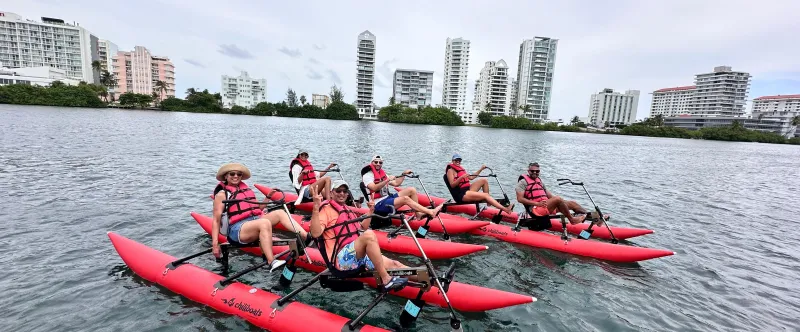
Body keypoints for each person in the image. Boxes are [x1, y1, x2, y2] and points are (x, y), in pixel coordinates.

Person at [309, 180, 408, 291]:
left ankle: (429, 280)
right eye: (338, 190)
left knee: (396, 264)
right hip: (341, 260)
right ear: (331, 193)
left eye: (345, 191)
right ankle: (386, 279)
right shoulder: (326, 210)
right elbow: (315, 233)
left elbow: (362, 227)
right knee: (369, 235)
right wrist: (316, 208)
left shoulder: (347, 210)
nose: (342, 193)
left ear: (347, 194)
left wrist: (371, 211)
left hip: (357, 255)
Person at [212, 163, 311, 272]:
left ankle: (306, 237)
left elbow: (258, 209)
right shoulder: (222, 194)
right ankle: (271, 261)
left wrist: (268, 196)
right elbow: (216, 220)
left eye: (239, 174)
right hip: (237, 230)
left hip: (254, 222)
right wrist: (215, 245)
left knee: (279, 213)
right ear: (225, 176)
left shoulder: (245, 189)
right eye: (232, 174)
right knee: (264, 223)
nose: (236, 176)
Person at [360, 155, 442, 220]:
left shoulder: (382, 174)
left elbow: (396, 183)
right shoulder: (367, 175)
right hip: (377, 204)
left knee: (412, 190)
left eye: (380, 162)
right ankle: (430, 212)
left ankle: (418, 215)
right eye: (376, 162)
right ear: (372, 162)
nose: (378, 164)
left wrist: (403, 174)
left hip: (386, 198)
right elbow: (374, 188)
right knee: (405, 199)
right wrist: (386, 180)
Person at [515, 162, 587, 225]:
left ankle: (588, 216)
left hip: (546, 206)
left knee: (573, 203)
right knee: (558, 199)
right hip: (535, 209)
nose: (534, 172)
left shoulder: (539, 181)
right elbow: (520, 199)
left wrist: (563, 202)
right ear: (528, 171)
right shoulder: (523, 182)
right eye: (532, 171)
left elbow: (550, 196)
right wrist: (537, 204)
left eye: (537, 171)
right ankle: (572, 220)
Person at [444, 154, 514, 214]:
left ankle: (488, 202)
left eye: (459, 160)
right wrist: (461, 177)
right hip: (462, 194)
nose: (458, 162)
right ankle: (506, 209)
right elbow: (452, 185)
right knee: (486, 195)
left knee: (484, 180)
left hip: (468, 189)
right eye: (456, 160)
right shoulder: (450, 171)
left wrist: (481, 169)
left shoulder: (460, 169)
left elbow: (471, 177)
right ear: (452, 161)